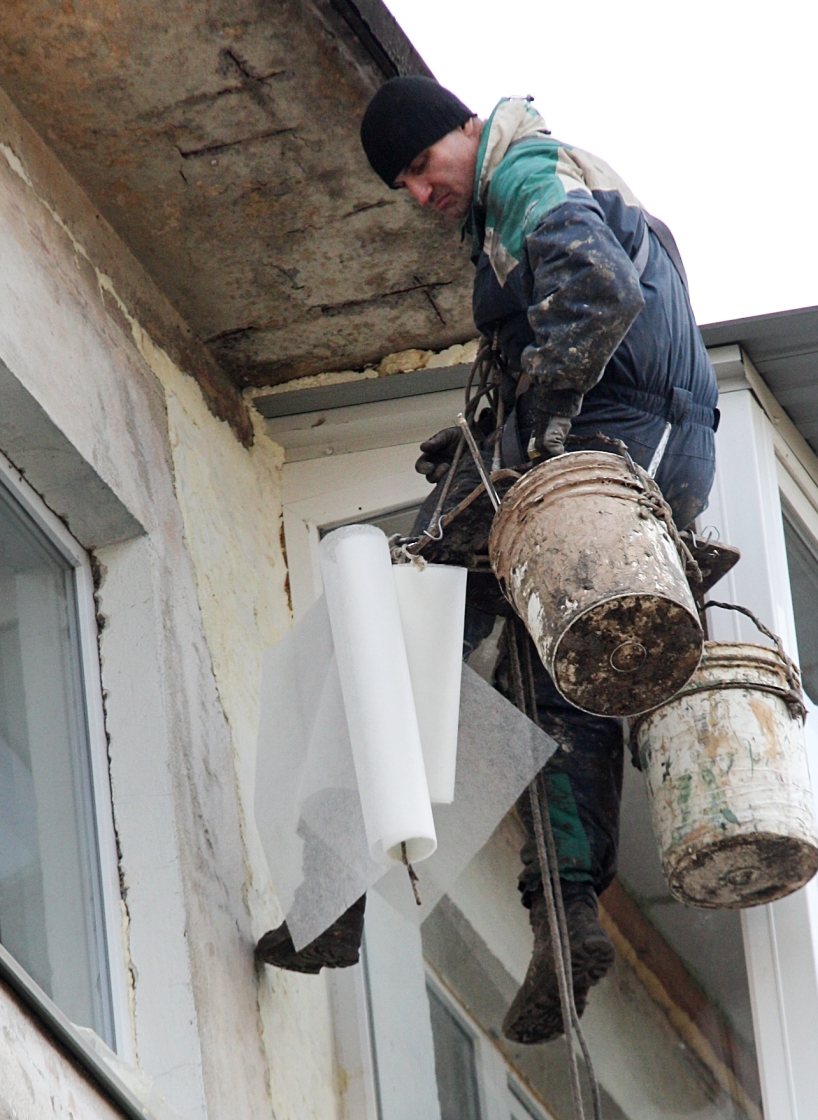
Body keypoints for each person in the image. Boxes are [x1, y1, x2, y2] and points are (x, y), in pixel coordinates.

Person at [258, 77, 719, 1045]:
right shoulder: (556, 187)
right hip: (653, 455)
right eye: (403, 186)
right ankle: (568, 919)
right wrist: (487, 425)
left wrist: (536, 431)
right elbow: (599, 315)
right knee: (566, 675)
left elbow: (595, 292)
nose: (418, 195)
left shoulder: (528, 173)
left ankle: (332, 884)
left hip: (601, 447)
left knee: (398, 619)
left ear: (466, 131)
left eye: (422, 166)